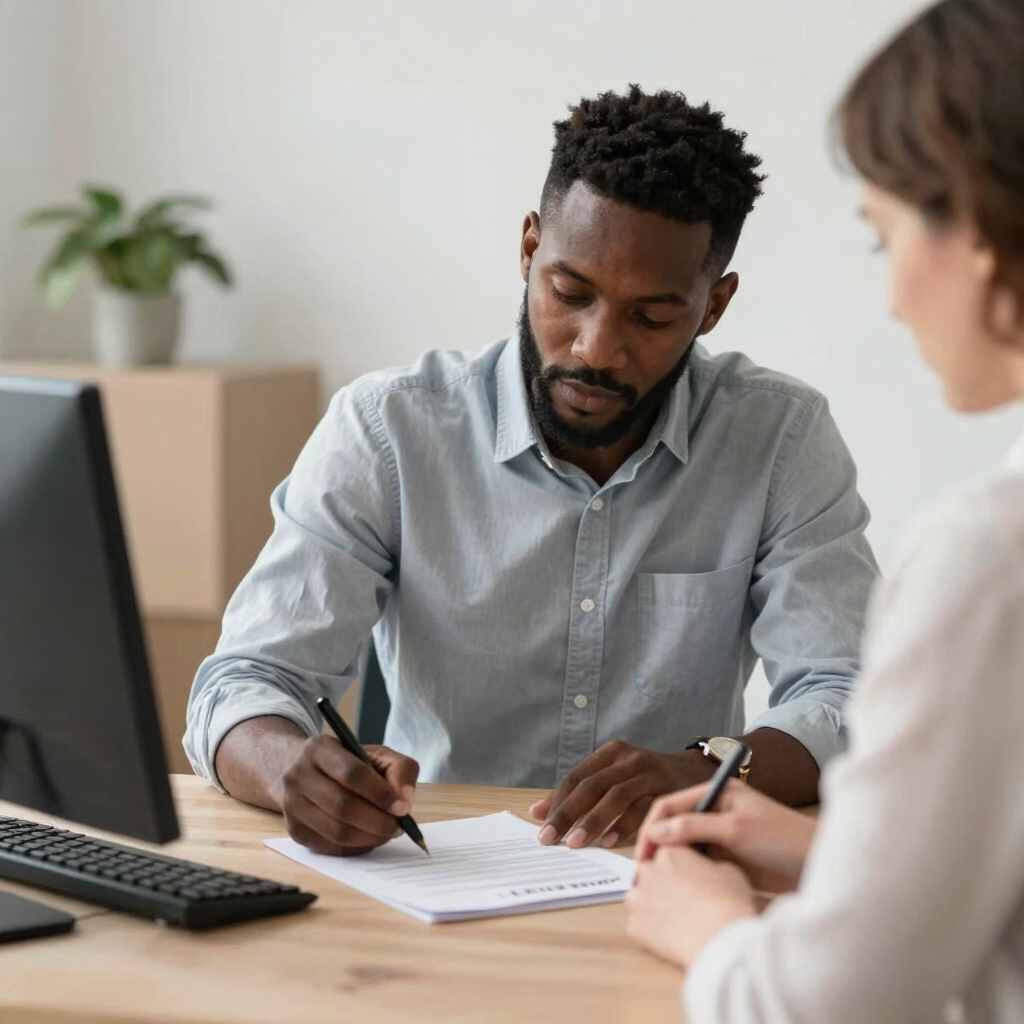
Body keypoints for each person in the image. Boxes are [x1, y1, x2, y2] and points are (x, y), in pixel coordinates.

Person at [183, 86, 879, 858]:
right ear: (527, 248)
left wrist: (704, 768)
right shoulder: (388, 430)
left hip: (666, 879)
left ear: (713, 306)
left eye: (650, 317)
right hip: (429, 871)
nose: (595, 347)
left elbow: (848, 694)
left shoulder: (779, 437)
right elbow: (243, 680)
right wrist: (291, 771)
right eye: (570, 293)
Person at [626, 3, 1024, 1021]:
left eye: (882, 234)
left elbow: (818, 1008)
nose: (891, 296)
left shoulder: (988, 554)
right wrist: (833, 852)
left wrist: (702, 921)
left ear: (976, 231)